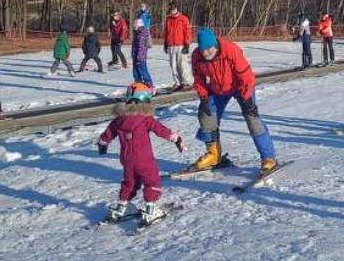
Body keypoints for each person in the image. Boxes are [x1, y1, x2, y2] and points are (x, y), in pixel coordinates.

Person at [189, 28, 278, 175]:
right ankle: (213, 155)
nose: (205, 53)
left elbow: (246, 75)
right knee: (206, 115)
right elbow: (198, 78)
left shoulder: (230, 50)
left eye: (208, 49)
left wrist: (247, 98)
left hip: (240, 86)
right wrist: (204, 96)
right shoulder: (197, 56)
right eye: (202, 50)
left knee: (252, 118)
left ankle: (269, 158)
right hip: (218, 89)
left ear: (215, 45)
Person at [95, 82, 185, 226]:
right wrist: (176, 139)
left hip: (126, 159)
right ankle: (151, 210)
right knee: (152, 180)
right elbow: (162, 130)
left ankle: (122, 207)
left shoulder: (118, 120)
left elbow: (106, 136)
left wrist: (102, 144)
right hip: (144, 159)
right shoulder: (146, 118)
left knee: (130, 182)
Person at [162, 3, 194, 92]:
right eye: (170, 9)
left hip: (181, 45)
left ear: (176, 9)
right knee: (173, 65)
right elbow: (166, 32)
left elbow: (187, 31)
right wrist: (165, 43)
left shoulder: (183, 19)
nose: (172, 10)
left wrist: (187, 44)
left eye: (173, 9)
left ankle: (187, 82)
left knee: (182, 64)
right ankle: (177, 82)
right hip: (171, 45)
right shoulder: (168, 19)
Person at [131, 18, 153, 86]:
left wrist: (139, 57)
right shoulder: (137, 33)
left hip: (140, 57)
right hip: (136, 55)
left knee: (143, 70)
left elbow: (141, 47)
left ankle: (149, 84)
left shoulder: (142, 34)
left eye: (134, 24)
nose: (133, 26)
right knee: (136, 71)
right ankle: (138, 84)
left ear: (138, 25)